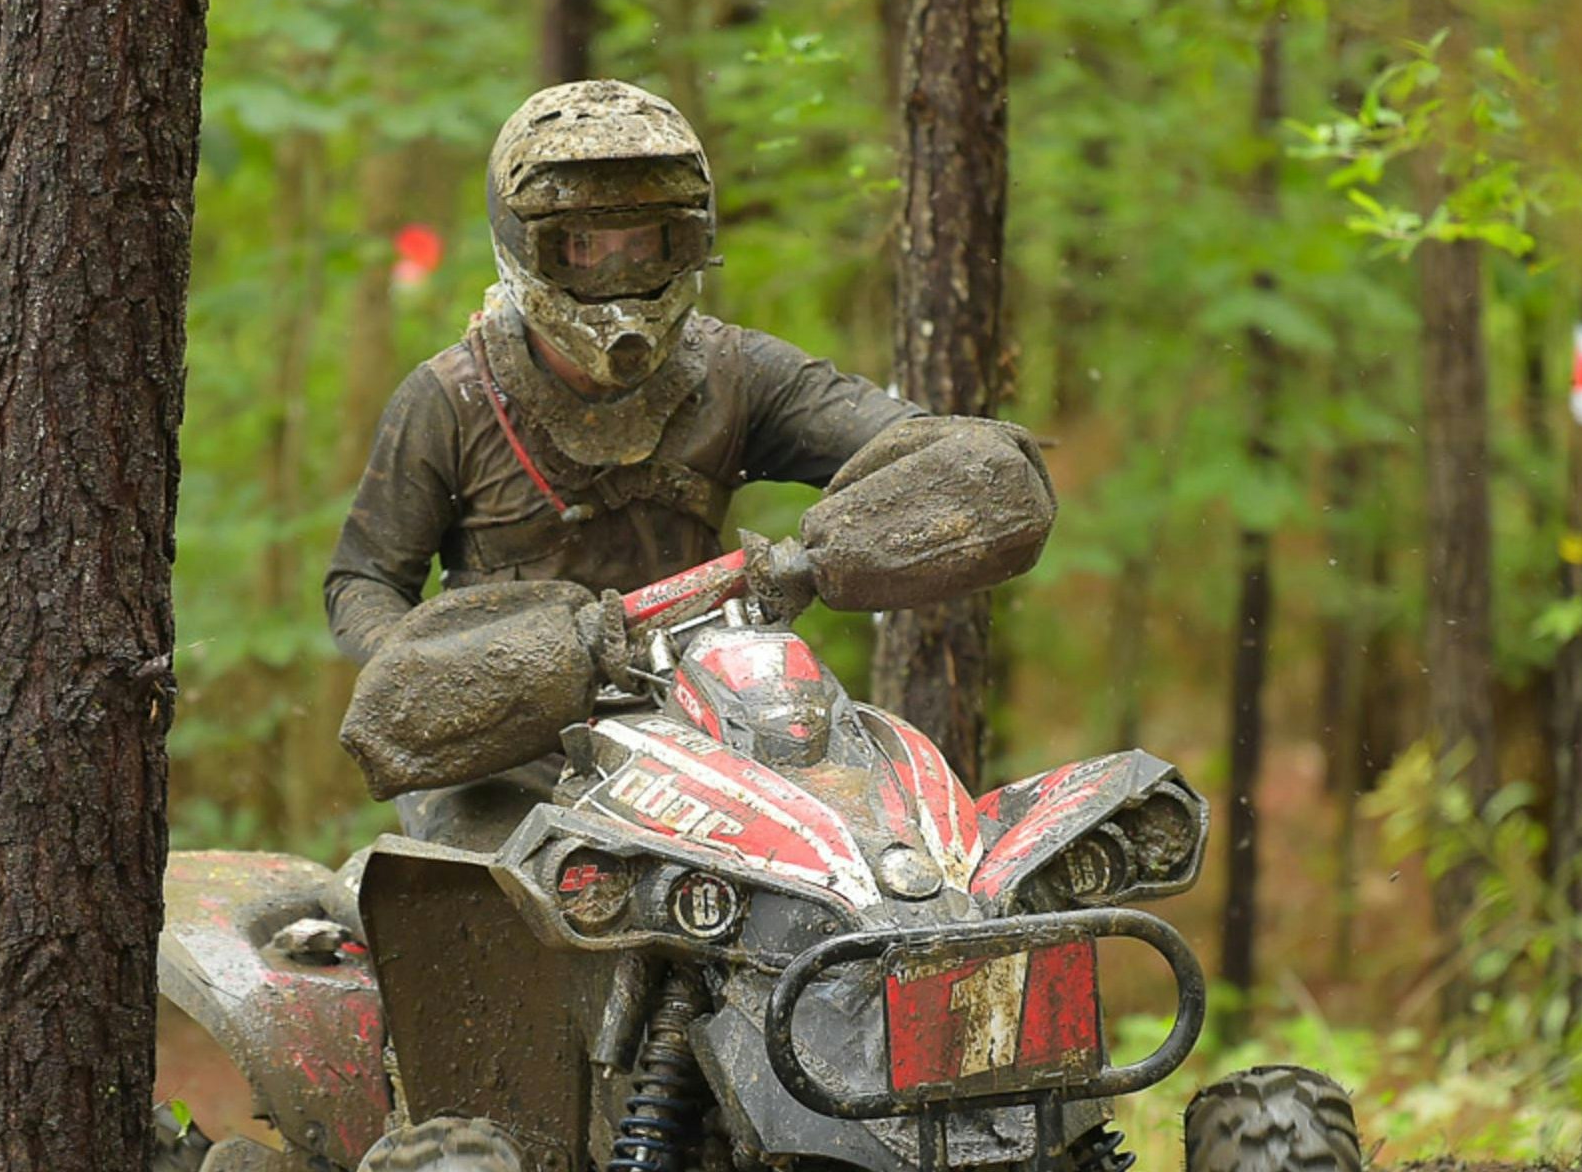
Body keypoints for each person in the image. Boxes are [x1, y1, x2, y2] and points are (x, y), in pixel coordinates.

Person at [325, 79, 1044, 846]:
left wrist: (819, 558)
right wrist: (442, 675)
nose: (618, 272)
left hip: (706, 730)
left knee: (862, 859)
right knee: (502, 901)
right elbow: (362, 580)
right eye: (585, 247)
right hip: (510, 756)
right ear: (527, 246)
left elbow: (941, 451)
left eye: (645, 244)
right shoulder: (451, 398)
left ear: (690, 239)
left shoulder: (736, 373)